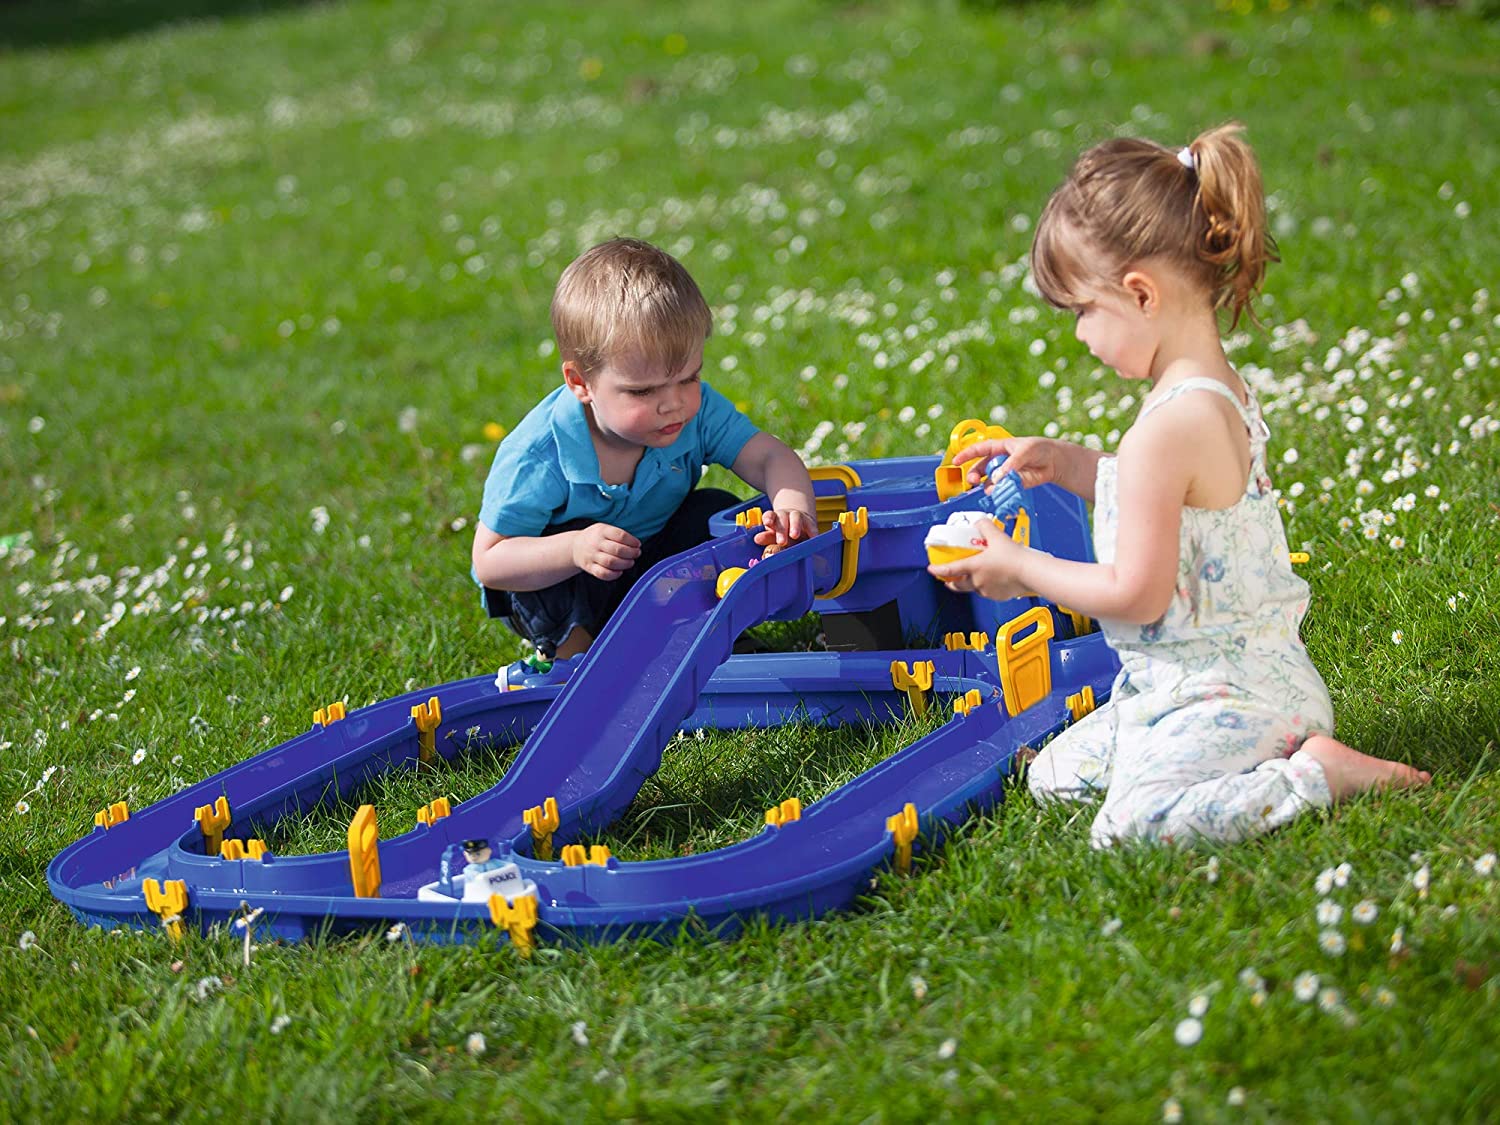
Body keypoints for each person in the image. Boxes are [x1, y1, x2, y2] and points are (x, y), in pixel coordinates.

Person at [928, 123, 1429, 847]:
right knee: (1055, 776)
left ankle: (1313, 774)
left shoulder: (1164, 429)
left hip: (1226, 697)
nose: (1079, 336)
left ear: (1139, 293)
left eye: (1081, 313)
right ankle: (1245, 749)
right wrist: (1065, 461)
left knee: (1126, 827)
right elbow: (1174, 503)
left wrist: (1018, 567)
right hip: (1235, 677)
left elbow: (1139, 593)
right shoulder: (1214, 390)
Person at [472, 237, 816, 661]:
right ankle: (577, 660)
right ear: (581, 383)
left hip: (651, 565)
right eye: (642, 391)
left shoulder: (697, 413)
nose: (673, 403)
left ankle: (712, 632)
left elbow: (769, 456)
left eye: (689, 378)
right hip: (571, 581)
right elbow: (490, 562)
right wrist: (574, 550)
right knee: (552, 561)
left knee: (713, 511)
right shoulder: (541, 453)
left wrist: (794, 510)